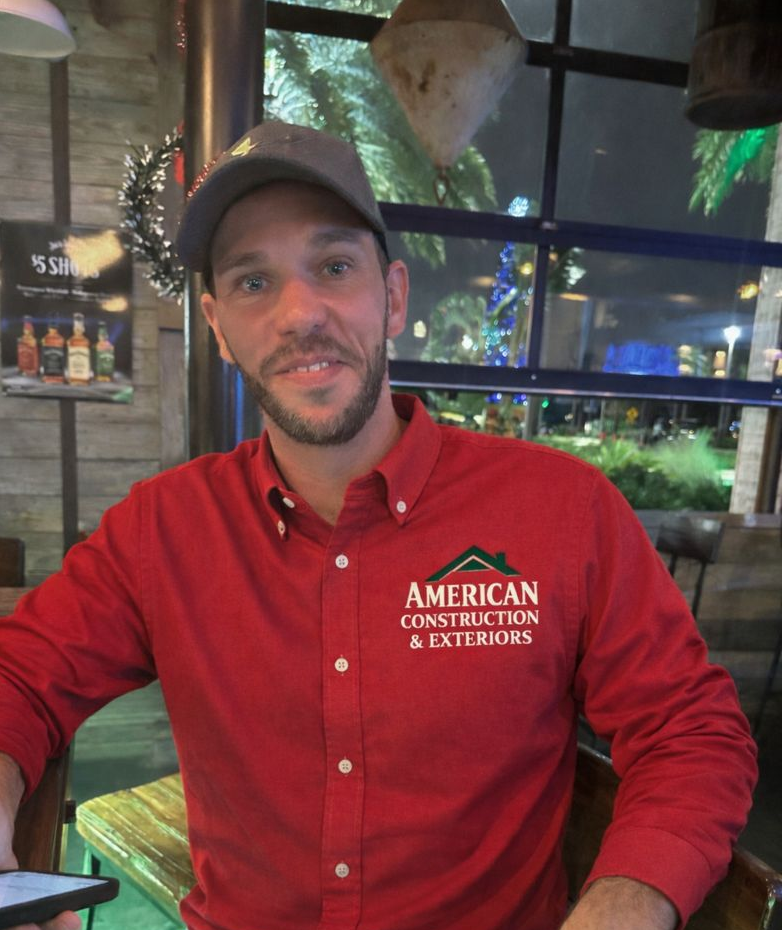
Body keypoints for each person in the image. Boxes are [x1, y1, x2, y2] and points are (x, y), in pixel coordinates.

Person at [0, 120, 757, 930]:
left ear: (393, 296)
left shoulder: (563, 510)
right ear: (217, 327)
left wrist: (625, 903)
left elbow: (690, 730)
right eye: (254, 282)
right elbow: (22, 677)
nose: (299, 314)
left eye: (333, 267)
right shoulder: (164, 529)